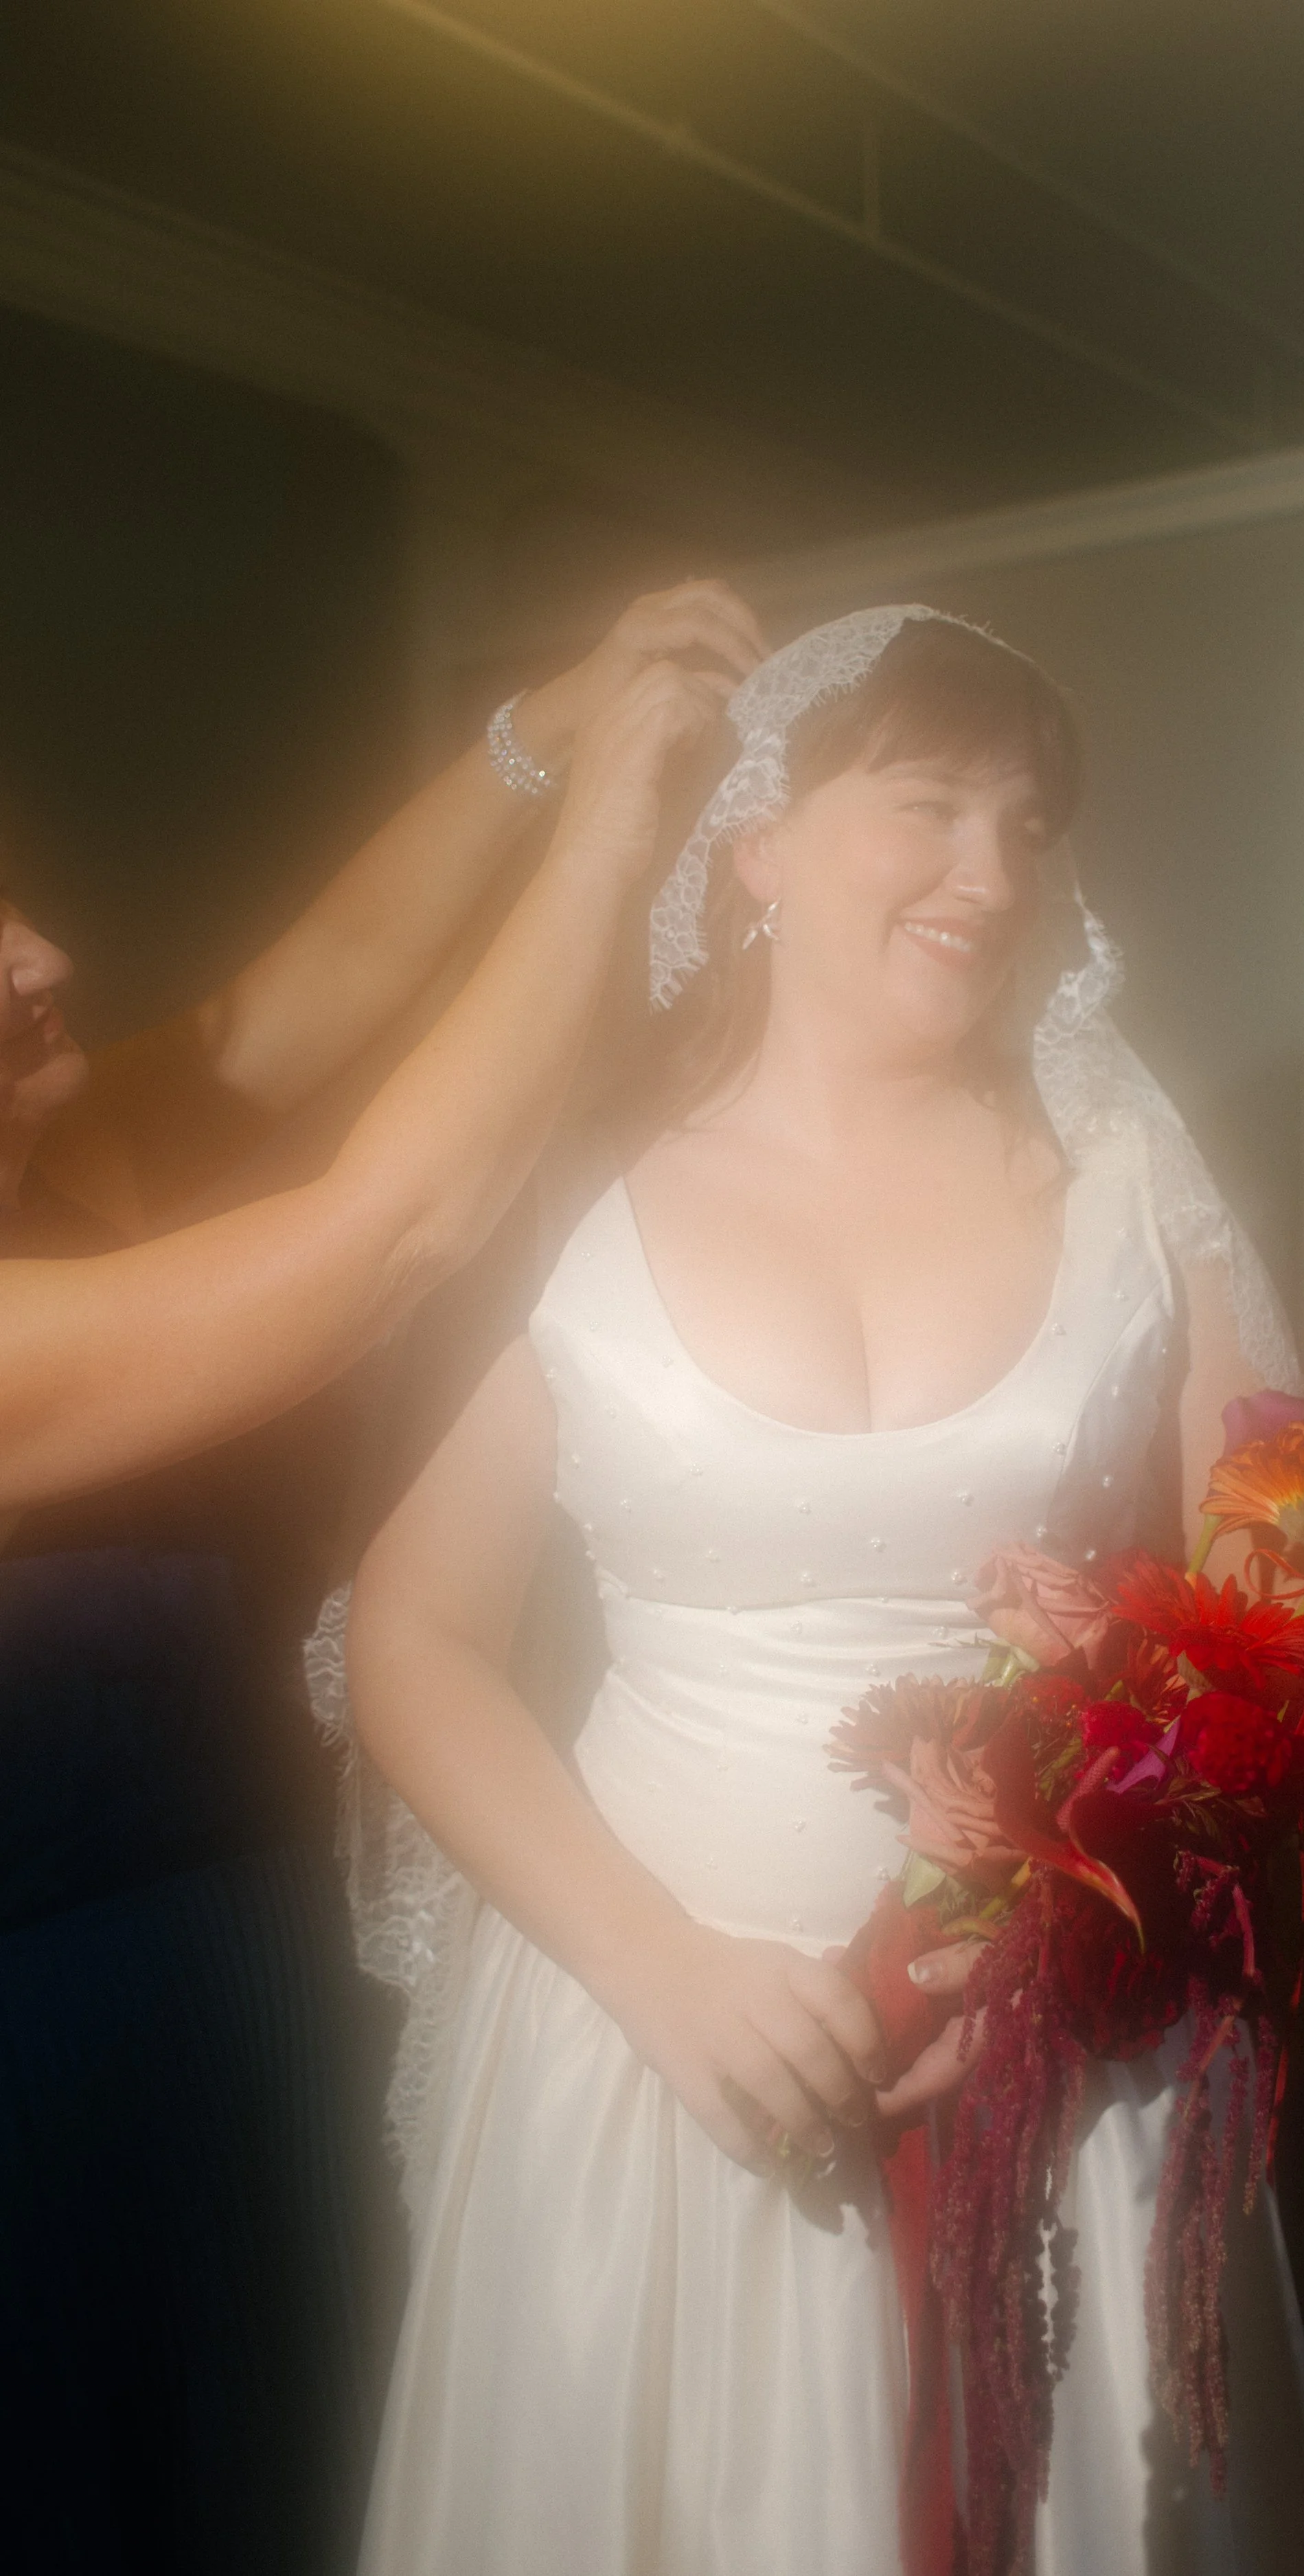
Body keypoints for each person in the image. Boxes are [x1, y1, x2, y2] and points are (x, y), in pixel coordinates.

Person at [345, 606, 1304, 2575]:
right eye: (926, 806)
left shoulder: (1132, 1174)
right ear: (756, 846)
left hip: (1049, 2033)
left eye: (1028, 824)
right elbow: (413, 1635)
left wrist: (1082, 1924)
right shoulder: (573, 1190)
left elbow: (1286, 1592)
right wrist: (656, 1963)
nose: (990, 871)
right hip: (653, 2036)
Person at [0, 579, 760, 2576]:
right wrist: (614, 807)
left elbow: (308, 988)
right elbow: (391, 1235)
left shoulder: (68, 1153)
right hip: (45, 2054)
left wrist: (547, 707)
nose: (45, 947)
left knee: (304, 2447)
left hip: (248, 1943)